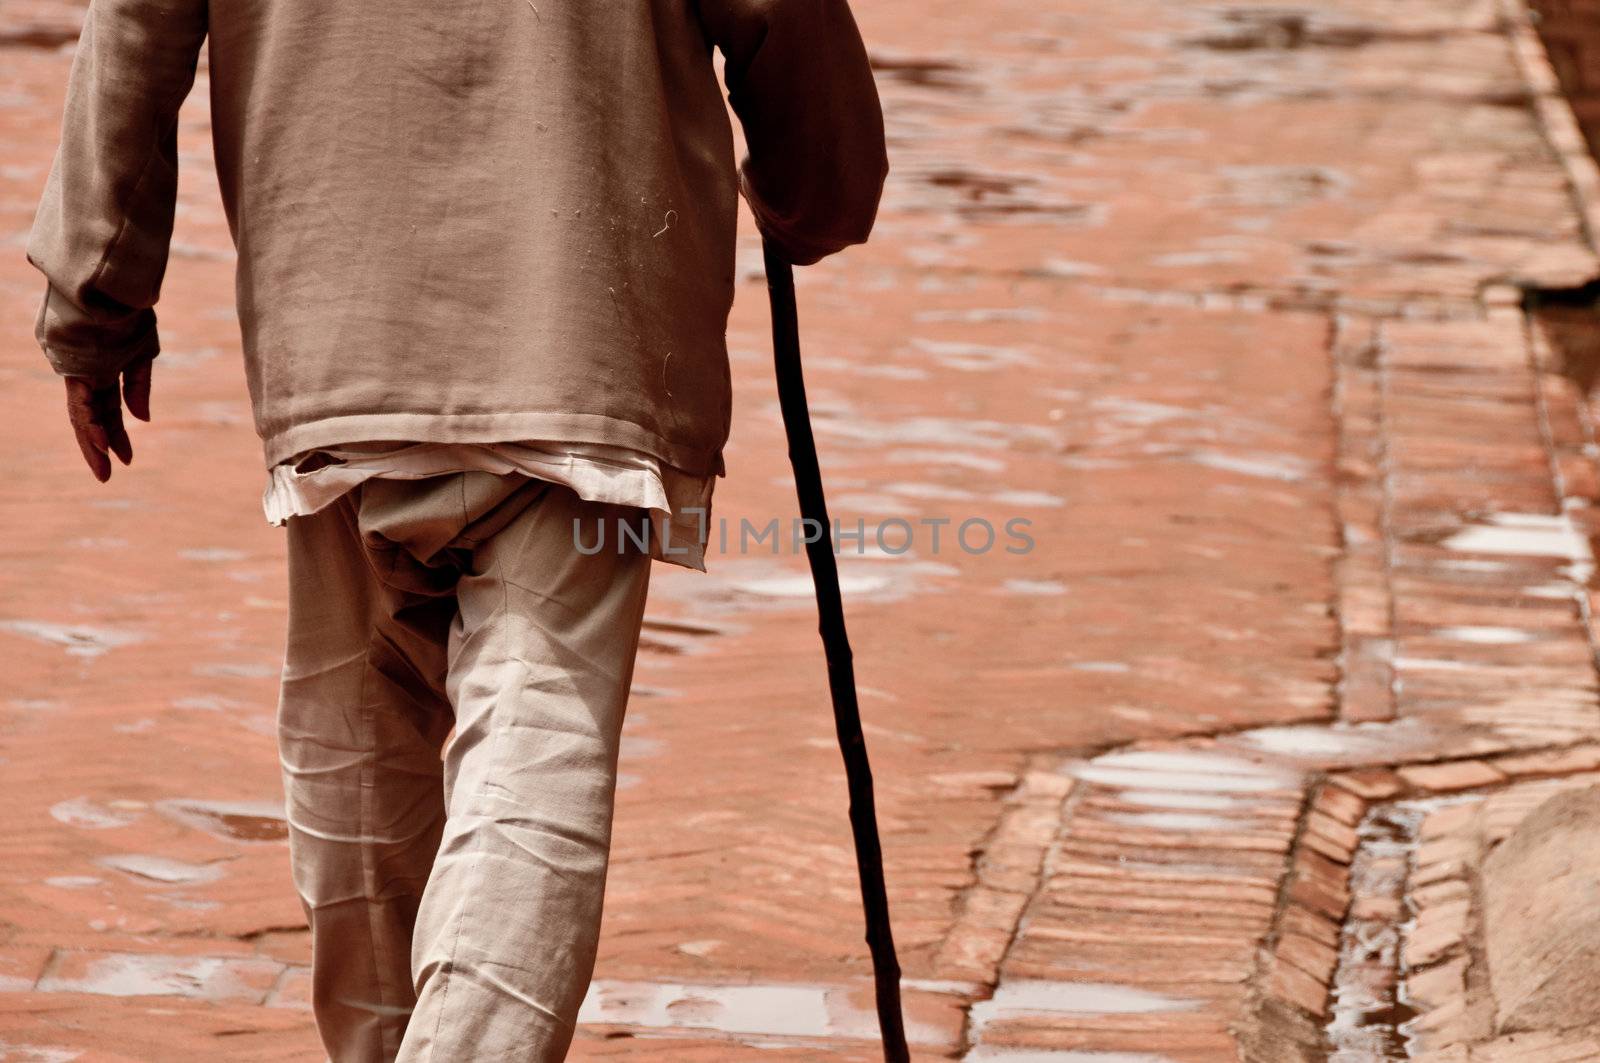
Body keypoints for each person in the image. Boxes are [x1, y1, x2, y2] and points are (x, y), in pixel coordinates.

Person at [25, 0, 888, 1056]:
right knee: (535, 744)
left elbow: (135, 32)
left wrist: (96, 296)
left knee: (356, 745)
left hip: (341, 338)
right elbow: (792, 46)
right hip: (584, 336)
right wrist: (808, 200)